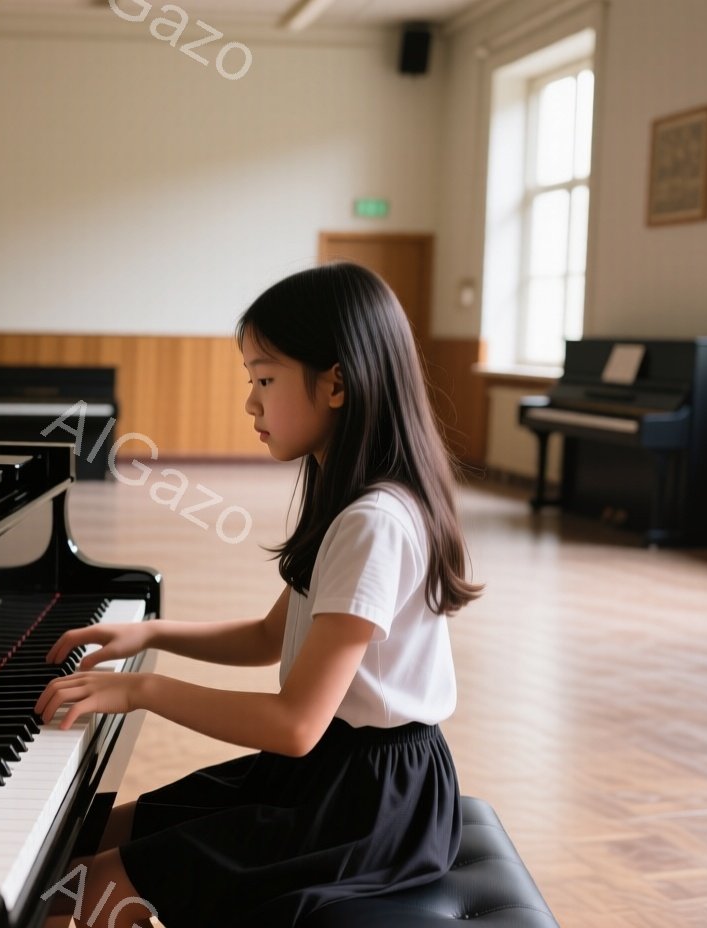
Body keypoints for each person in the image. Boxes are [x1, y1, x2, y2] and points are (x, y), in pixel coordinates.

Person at [34, 262, 484, 928]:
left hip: (366, 807)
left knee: (94, 889)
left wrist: (142, 691)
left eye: (265, 380)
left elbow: (296, 725)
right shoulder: (348, 503)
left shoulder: (374, 522)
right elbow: (271, 636)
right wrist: (151, 635)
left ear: (336, 383)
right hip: (327, 778)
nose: (251, 402)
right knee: (77, 847)